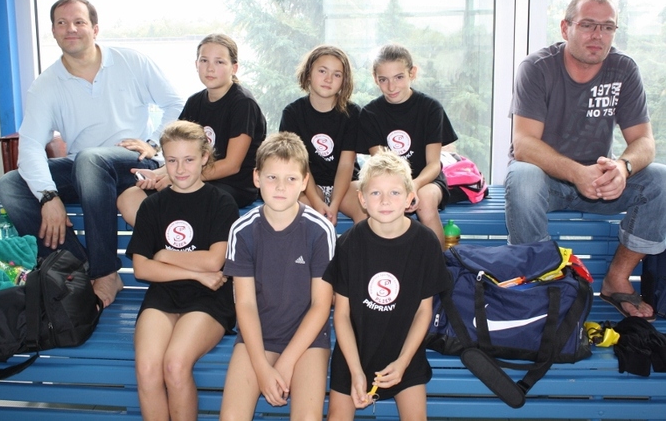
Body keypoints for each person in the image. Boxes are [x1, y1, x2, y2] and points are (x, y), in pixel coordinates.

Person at [0, 0, 183, 307]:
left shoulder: (130, 62)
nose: (70, 28)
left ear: (94, 29)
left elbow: (175, 104)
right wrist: (49, 196)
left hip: (133, 165)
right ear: (53, 32)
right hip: (84, 172)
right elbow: (30, 145)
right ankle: (76, 266)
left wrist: (152, 144)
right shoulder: (46, 85)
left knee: (90, 158)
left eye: (79, 21)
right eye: (62, 23)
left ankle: (106, 272)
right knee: (10, 185)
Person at [505, 0, 666, 322]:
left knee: (660, 179)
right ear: (566, 28)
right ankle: (541, 279)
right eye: (588, 25)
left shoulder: (623, 69)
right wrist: (577, 173)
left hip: (598, 184)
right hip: (546, 183)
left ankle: (616, 278)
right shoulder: (537, 68)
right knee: (522, 176)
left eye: (607, 27)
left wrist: (622, 168)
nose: (598, 35)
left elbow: (644, 141)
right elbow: (523, 145)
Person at [323, 149, 451, 420]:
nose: (385, 201)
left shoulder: (426, 243)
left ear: (410, 197)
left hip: (405, 351)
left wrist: (403, 362)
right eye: (375, 193)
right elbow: (342, 315)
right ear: (362, 199)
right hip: (355, 352)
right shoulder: (348, 244)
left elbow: (423, 311)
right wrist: (356, 371)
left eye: (394, 192)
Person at [220, 132, 336, 420]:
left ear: (305, 181)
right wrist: (262, 368)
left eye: (291, 179)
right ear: (257, 177)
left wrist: (285, 363)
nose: (281, 187)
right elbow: (245, 304)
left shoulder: (320, 230)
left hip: (308, 339)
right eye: (272, 177)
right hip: (258, 336)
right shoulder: (242, 230)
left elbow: (321, 305)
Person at [127, 120, 237, 421]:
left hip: (209, 298)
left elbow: (214, 261)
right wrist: (195, 273)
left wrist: (165, 255)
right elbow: (142, 268)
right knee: (147, 368)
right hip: (165, 293)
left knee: (175, 365)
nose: (180, 169)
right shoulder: (153, 206)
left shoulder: (221, 202)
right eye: (172, 160)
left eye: (189, 159)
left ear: (204, 157)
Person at [117, 33, 267, 224]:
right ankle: (163, 241)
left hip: (232, 185)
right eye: (204, 60)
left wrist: (178, 178)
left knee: (183, 199)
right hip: (192, 178)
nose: (210, 68)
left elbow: (232, 165)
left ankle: (175, 240)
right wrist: (157, 174)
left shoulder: (243, 104)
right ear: (196, 64)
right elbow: (177, 151)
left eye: (219, 62)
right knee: (129, 197)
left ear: (234, 68)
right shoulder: (195, 102)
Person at [357, 44, 458, 246]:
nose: (391, 87)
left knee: (425, 201)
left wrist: (414, 185)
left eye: (399, 77)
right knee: (381, 202)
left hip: (426, 180)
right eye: (383, 79)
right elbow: (381, 165)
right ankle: (383, 259)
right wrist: (397, 190)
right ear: (375, 79)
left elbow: (433, 165)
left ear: (412, 73)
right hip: (388, 180)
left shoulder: (430, 108)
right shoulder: (370, 113)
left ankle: (439, 261)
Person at [279, 45, 367, 226]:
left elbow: (346, 164)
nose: (328, 79)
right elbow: (298, 164)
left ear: (344, 81)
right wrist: (317, 202)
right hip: (308, 184)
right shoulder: (293, 113)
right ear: (308, 73)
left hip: (345, 185)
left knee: (367, 205)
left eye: (337, 74)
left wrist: (334, 204)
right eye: (322, 71)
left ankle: (363, 245)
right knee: (295, 205)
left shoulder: (352, 113)